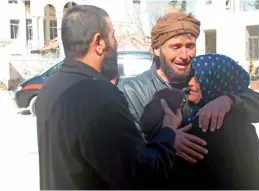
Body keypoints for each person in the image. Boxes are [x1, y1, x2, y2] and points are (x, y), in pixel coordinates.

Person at [36, 5, 183, 190]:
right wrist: (168, 131)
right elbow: (141, 175)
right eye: (112, 36)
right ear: (99, 42)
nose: (115, 43)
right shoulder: (98, 96)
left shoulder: (50, 85)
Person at [118, 12, 259, 189]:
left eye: (190, 46)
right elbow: (123, 151)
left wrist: (229, 100)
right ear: (156, 50)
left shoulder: (205, 78)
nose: (184, 55)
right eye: (175, 47)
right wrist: (166, 140)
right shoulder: (131, 91)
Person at [167, 54, 259, 190]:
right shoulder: (182, 103)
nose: (190, 82)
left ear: (216, 82)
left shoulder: (228, 123)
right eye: (190, 76)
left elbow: (251, 177)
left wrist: (230, 100)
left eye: (199, 78)